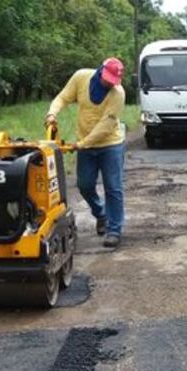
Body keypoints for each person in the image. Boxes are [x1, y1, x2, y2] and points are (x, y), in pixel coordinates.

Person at [45, 57, 126, 248]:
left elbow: (105, 126)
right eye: (106, 79)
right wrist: (52, 113)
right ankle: (101, 214)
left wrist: (81, 144)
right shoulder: (81, 77)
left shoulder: (118, 94)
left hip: (110, 144)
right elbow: (63, 97)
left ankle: (114, 230)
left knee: (113, 187)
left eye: (112, 81)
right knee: (84, 185)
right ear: (100, 71)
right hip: (85, 145)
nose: (108, 83)